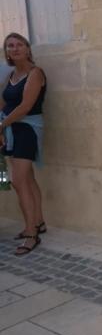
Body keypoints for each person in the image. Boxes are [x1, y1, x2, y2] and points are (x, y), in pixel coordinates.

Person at [0, 33, 47, 256]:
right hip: (12, 130)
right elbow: (5, 102)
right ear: (6, 52)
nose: (15, 48)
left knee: (18, 181)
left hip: (27, 130)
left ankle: (31, 234)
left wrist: (1, 126)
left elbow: (25, 107)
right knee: (28, 179)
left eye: (19, 44)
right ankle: (38, 222)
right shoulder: (12, 74)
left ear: (28, 49)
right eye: (10, 46)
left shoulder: (35, 73)